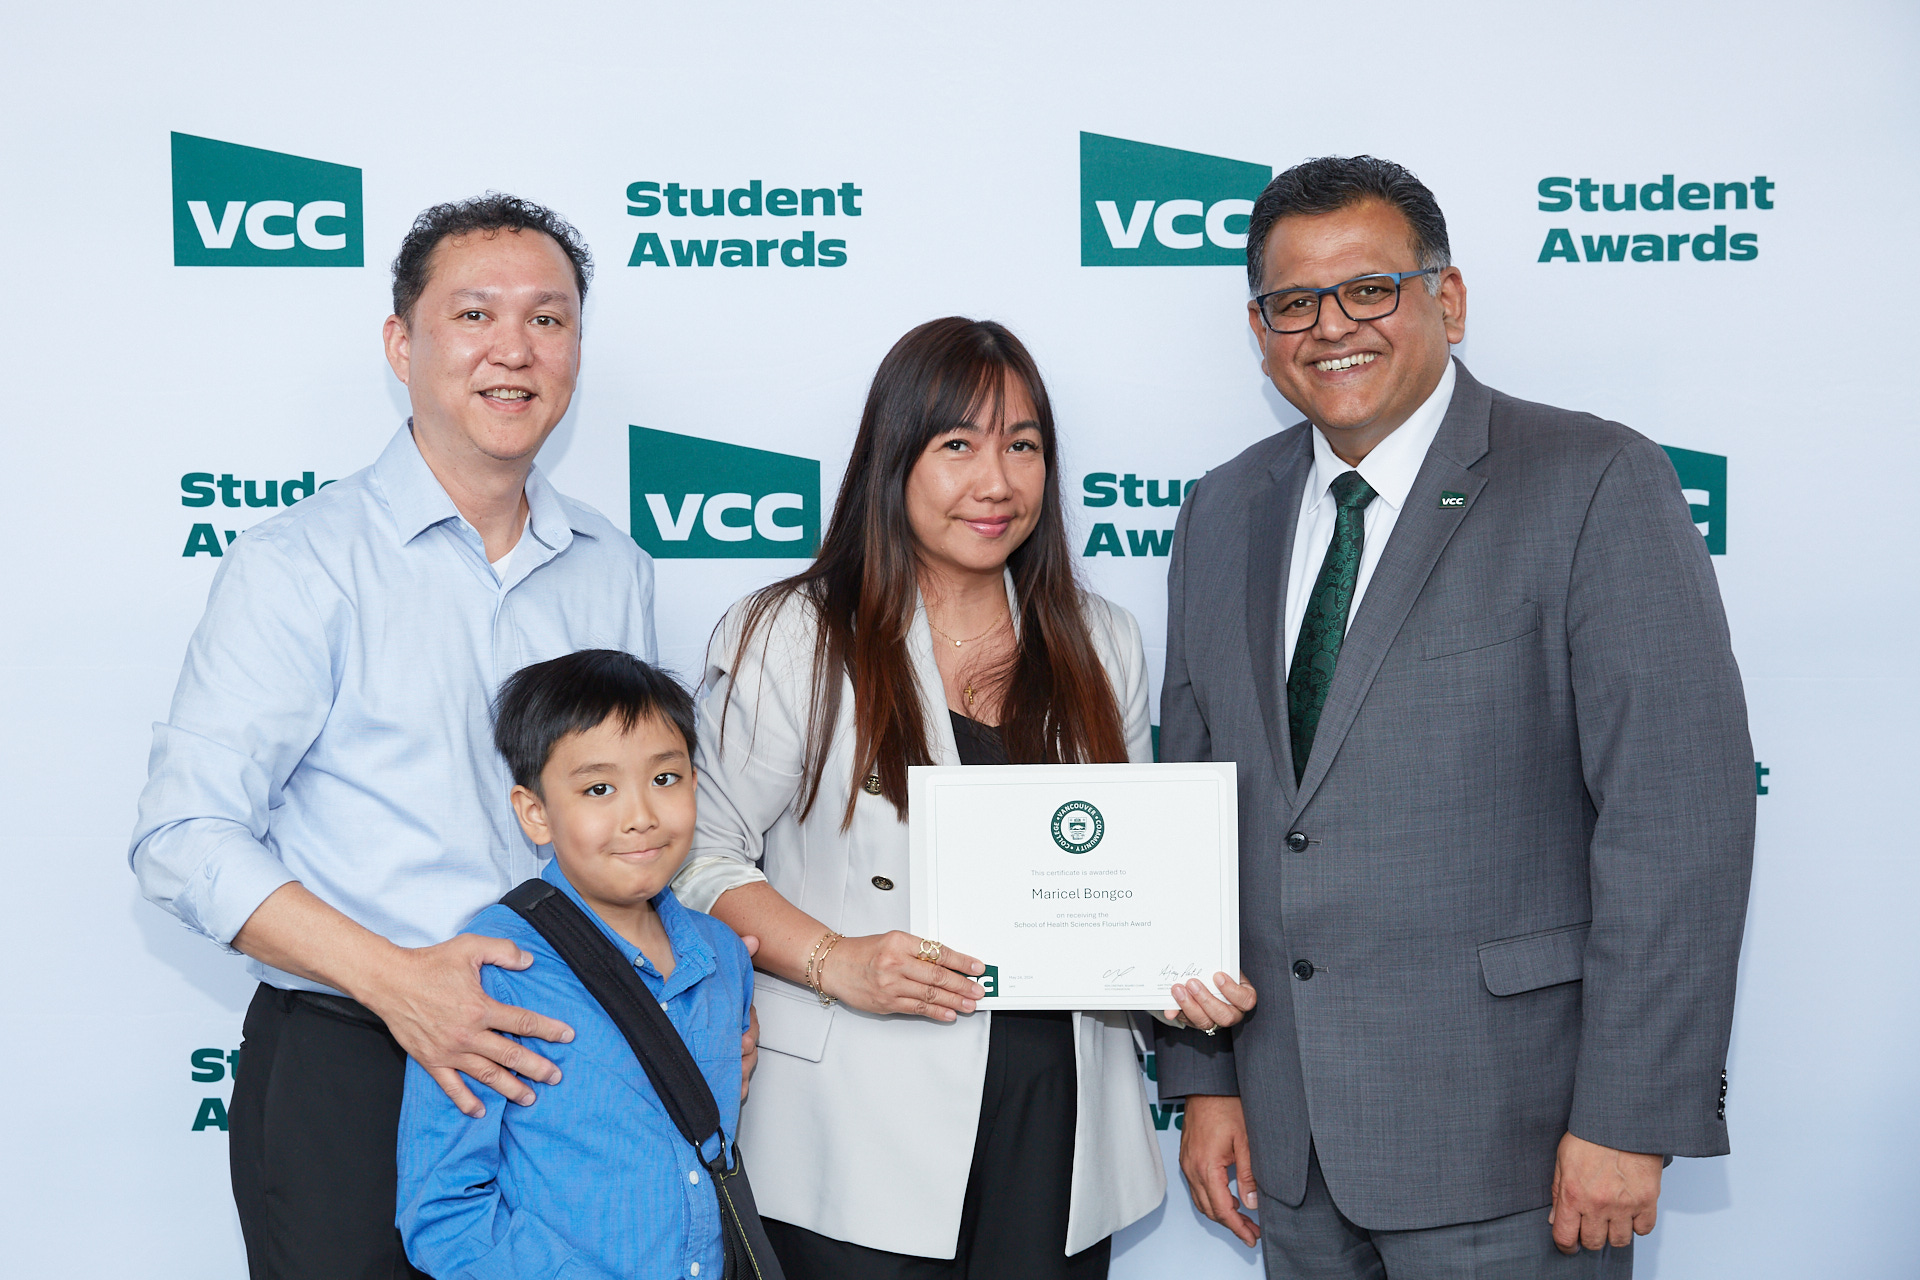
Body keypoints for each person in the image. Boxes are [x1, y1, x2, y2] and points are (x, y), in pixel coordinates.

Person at [1153, 154, 1756, 1278]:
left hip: (1520, 1149)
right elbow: (1197, 809)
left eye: (1370, 287)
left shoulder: (1594, 478)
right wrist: (1206, 1079)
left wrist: (1630, 1113)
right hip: (1291, 1149)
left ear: (1449, 297)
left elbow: (1677, 817)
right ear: (1261, 326)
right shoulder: (1221, 509)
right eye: (1294, 301)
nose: (1332, 325)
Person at [130, 195, 672, 1279]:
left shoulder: (613, 565)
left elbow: (637, 825)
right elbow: (183, 835)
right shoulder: (302, 563)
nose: (513, 349)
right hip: (355, 1062)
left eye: (549, 319)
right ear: (401, 345)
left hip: (568, 1063)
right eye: (473, 314)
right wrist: (400, 981)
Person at [670, 317, 1255, 1280]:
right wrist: (834, 959)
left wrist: (1180, 976)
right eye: (957, 446)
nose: (997, 482)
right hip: (857, 1123)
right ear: (892, 461)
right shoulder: (794, 633)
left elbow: (1135, 869)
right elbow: (698, 853)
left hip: (1062, 1125)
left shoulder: (1102, 640)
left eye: (1023, 446)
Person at [397, 649, 752, 1280]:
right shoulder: (493, 970)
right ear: (535, 813)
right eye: (599, 789)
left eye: (664, 779)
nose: (640, 815)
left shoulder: (723, 953)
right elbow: (443, 1212)